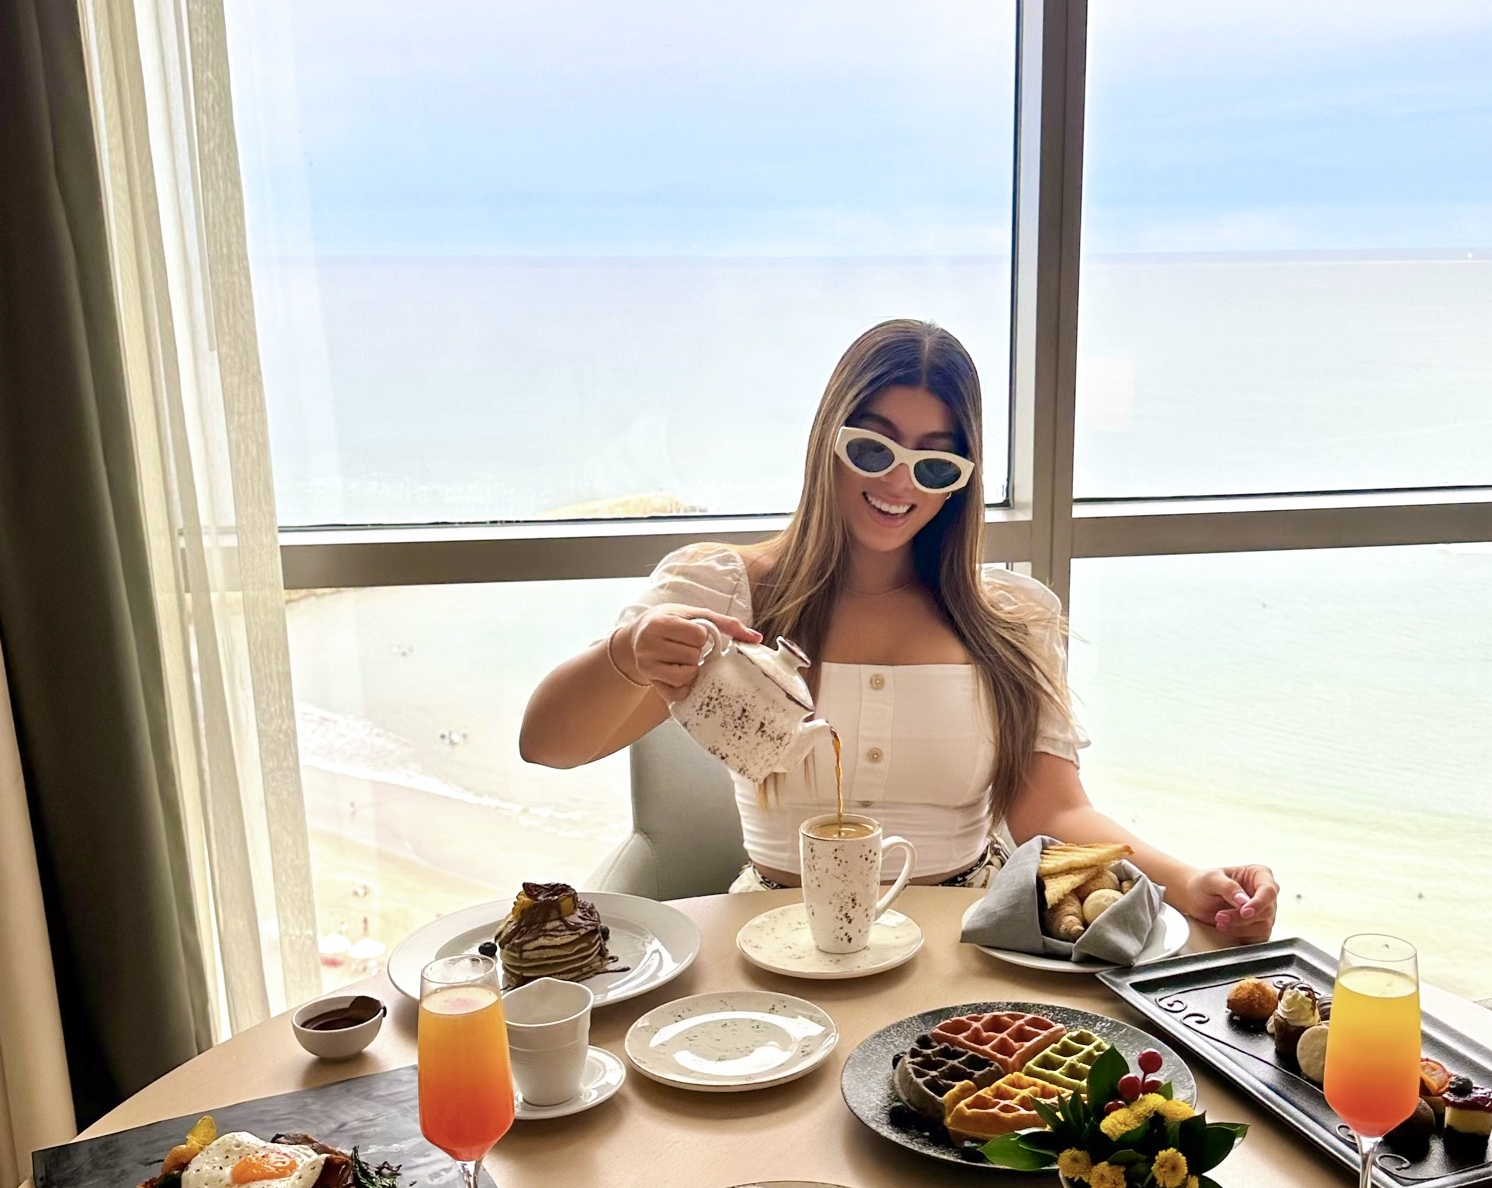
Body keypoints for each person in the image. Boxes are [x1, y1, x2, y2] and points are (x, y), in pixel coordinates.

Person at [520, 319, 1278, 937]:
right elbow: (549, 745)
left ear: (960, 483)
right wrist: (628, 656)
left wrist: (1188, 883)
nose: (897, 481)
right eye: (872, 448)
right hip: (775, 936)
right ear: (828, 439)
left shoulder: (1012, 619)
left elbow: (1051, 810)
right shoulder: (728, 591)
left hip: (965, 940)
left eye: (935, 465)